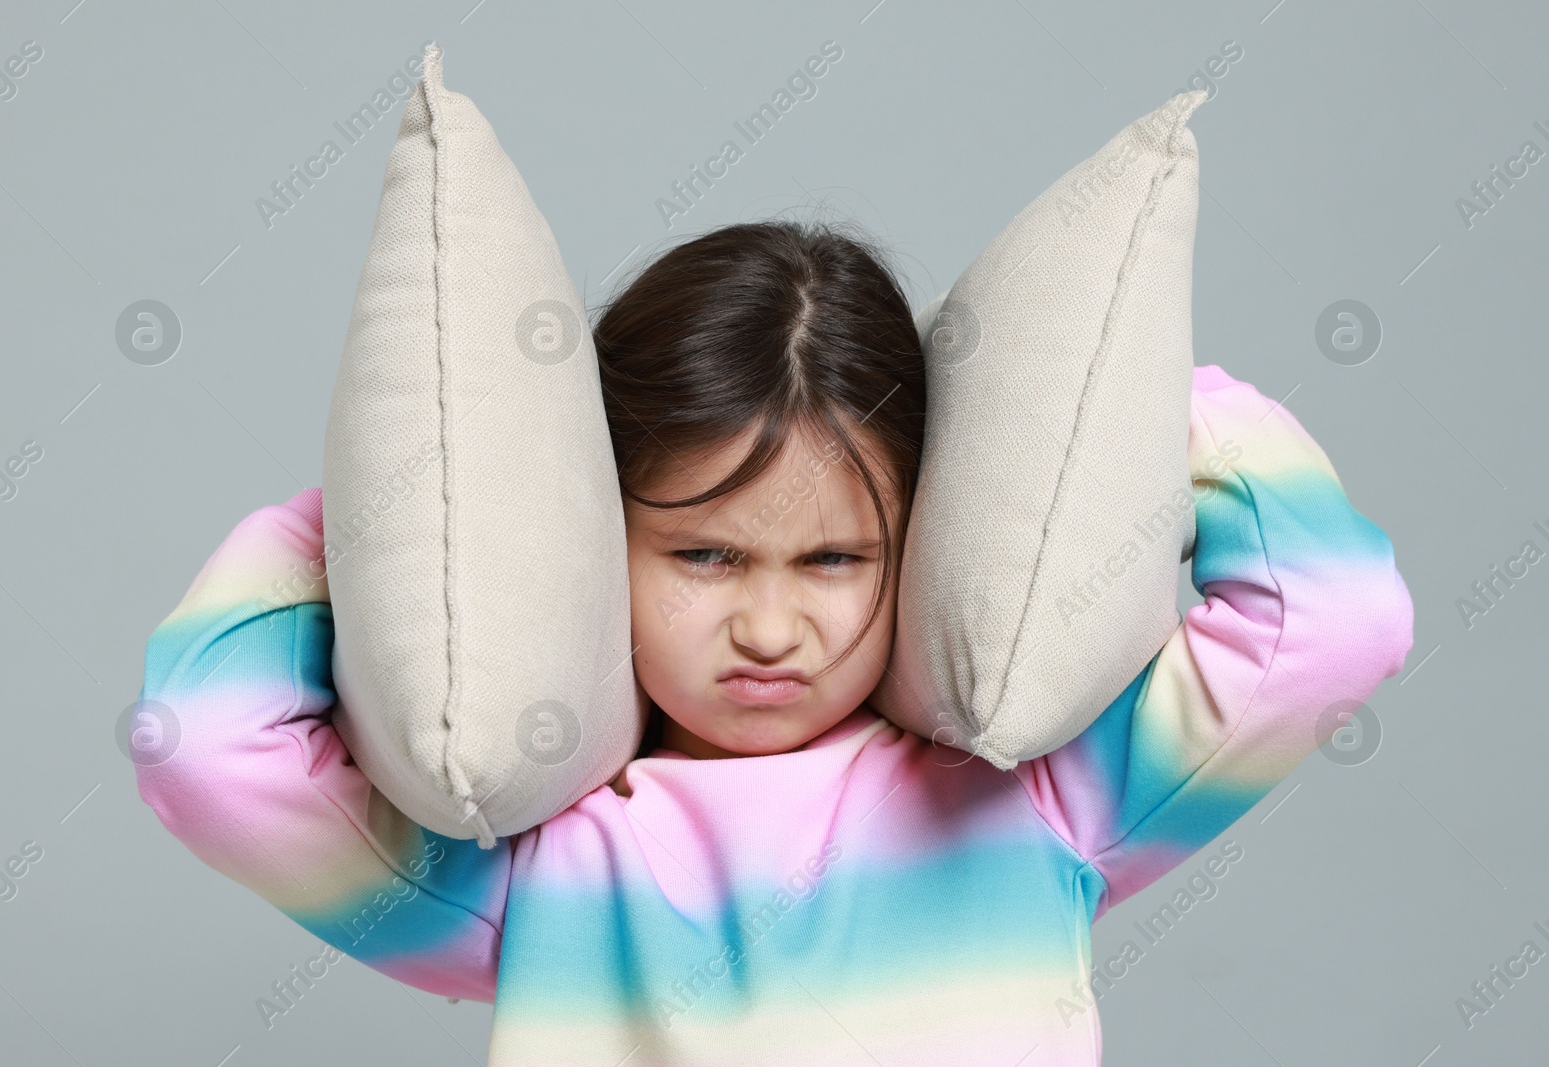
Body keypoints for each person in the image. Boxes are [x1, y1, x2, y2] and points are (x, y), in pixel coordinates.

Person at [133, 219, 1413, 1064]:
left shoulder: (1036, 799)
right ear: (592, 536)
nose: (767, 626)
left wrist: (1147, 406)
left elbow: (1335, 620)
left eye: (836, 560)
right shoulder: (549, 872)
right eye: (703, 554)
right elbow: (205, 748)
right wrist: (412, 496)